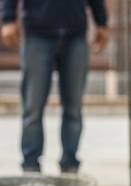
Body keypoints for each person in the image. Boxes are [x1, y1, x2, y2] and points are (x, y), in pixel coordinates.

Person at [1, 0, 109, 173]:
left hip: (75, 33)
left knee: (74, 108)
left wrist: (101, 21)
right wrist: (8, 18)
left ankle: (70, 165)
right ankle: (30, 166)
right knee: (32, 107)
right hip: (37, 32)